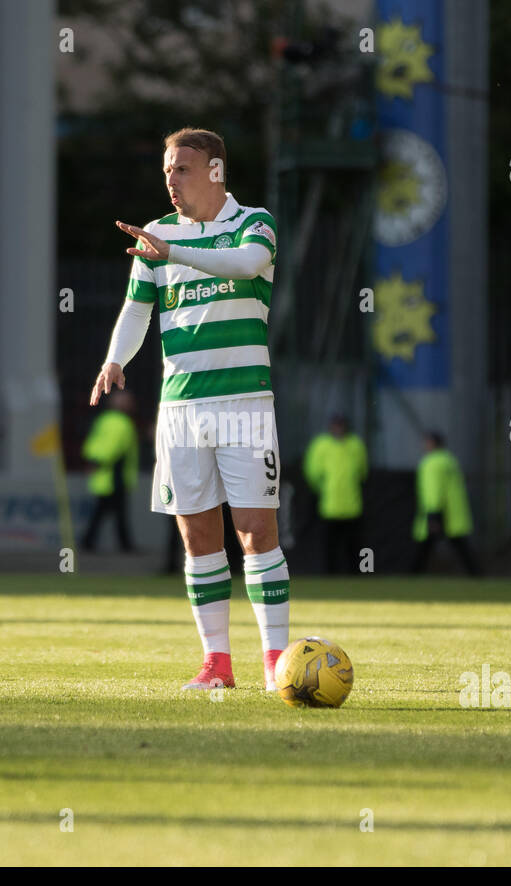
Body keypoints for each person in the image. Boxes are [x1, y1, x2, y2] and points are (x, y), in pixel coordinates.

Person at [89, 126, 288, 692]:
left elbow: (247, 265)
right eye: (167, 171)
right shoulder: (156, 234)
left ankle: (275, 662)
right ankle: (217, 665)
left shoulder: (254, 223)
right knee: (198, 538)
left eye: (183, 169)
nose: (171, 180)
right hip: (181, 408)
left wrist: (174, 252)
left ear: (216, 171)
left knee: (255, 532)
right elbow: (136, 311)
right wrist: (114, 359)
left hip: (245, 401)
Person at [302, 413, 368, 574]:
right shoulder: (321, 445)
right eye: (336, 425)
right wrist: (322, 488)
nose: (339, 428)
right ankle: (329, 574)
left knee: (353, 545)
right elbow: (312, 472)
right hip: (329, 505)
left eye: (341, 425)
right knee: (329, 545)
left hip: (352, 505)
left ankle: (357, 575)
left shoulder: (356, 445)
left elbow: (362, 472)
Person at [411, 431, 481, 576]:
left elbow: (433, 490)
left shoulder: (431, 463)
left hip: (439, 511)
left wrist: (433, 514)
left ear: (432, 443)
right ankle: (477, 575)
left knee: (424, 548)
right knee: (461, 547)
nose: (424, 445)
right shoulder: (450, 460)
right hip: (455, 513)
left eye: (426, 442)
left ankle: (413, 576)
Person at [81, 390, 139, 553]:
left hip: (103, 475)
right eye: (128, 401)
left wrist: (92, 460)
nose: (131, 404)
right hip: (114, 476)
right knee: (113, 512)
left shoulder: (103, 420)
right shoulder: (122, 422)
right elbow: (113, 447)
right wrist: (100, 461)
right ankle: (122, 544)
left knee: (105, 512)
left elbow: (92, 443)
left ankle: (91, 542)